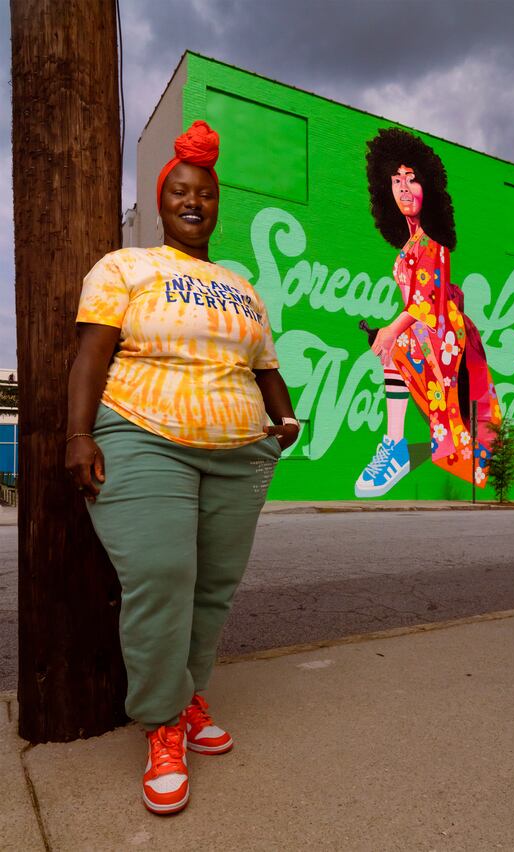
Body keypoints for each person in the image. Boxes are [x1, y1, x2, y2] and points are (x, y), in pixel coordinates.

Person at [65, 120, 299, 815]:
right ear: (162, 200)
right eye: (182, 192)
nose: (195, 201)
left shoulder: (240, 287)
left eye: (206, 194)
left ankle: (190, 696)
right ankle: (162, 723)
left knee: (214, 586)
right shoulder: (124, 268)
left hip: (239, 449)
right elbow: (90, 356)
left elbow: (266, 366)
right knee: (162, 576)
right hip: (143, 434)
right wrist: (78, 435)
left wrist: (284, 421)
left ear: (217, 205)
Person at [355, 128, 500, 497]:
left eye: (412, 179)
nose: (404, 188)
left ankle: (396, 447)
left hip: (439, 328)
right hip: (429, 327)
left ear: (428, 186)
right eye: (396, 181)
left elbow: (424, 300)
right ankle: (396, 446)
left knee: (398, 346)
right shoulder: (409, 243)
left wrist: (390, 329)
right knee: (396, 351)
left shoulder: (432, 241)